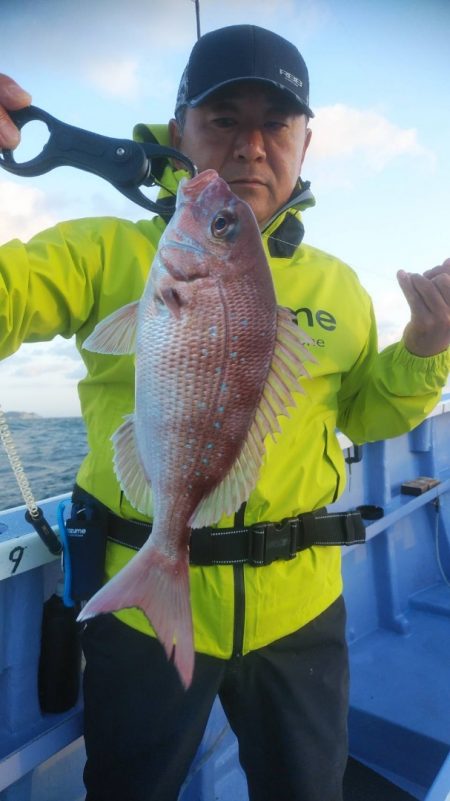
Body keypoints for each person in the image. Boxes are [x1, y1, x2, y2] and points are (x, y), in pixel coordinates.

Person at [1, 24, 449, 801]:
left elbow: (369, 414)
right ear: (180, 132)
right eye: (223, 119)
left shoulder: (339, 287)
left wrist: (426, 345)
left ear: (306, 143)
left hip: (301, 611)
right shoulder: (107, 253)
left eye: (276, 123)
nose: (250, 146)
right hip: (140, 616)